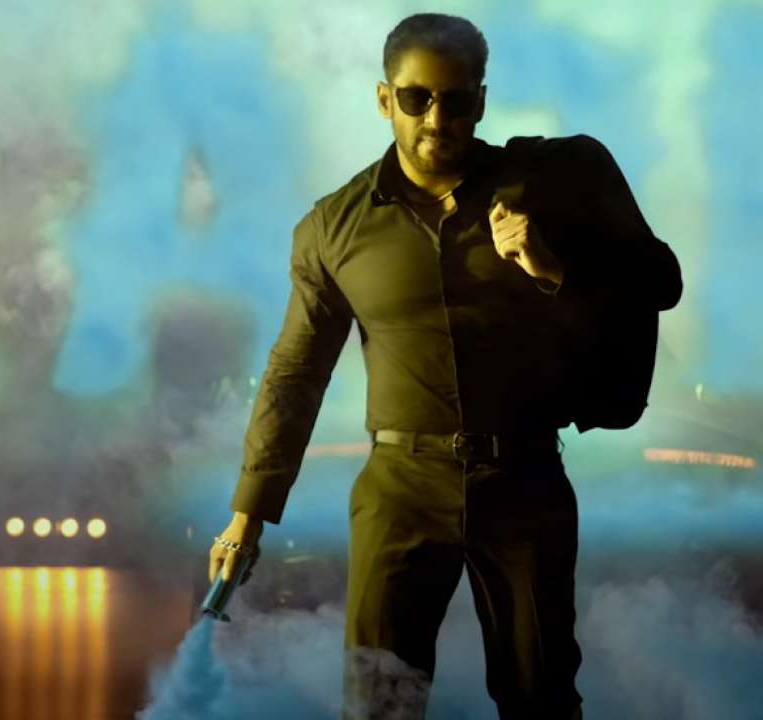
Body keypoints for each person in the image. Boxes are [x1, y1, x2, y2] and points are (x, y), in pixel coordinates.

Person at [207, 12, 682, 719]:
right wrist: (247, 516)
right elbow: (296, 373)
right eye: (416, 98)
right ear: (384, 98)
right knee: (378, 703)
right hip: (399, 490)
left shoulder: (544, 188)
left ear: (480, 102)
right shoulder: (332, 229)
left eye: (456, 101)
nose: (437, 118)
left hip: (523, 480)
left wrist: (553, 267)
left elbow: (661, 281)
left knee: (542, 698)